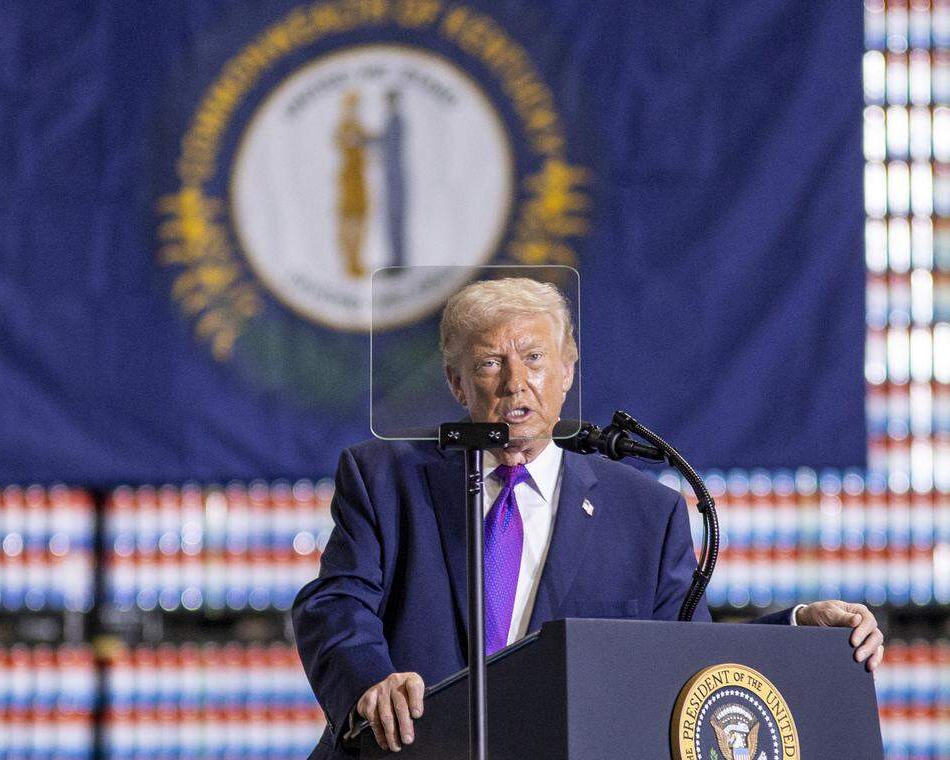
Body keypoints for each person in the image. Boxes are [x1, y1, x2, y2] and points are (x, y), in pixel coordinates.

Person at [292, 277, 884, 758]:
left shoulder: (647, 515)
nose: (515, 382)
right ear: (456, 382)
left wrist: (802, 633)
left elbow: (689, 662)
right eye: (490, 363)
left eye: (533, 358)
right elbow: (333, 604)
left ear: (568, 370)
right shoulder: (385, 480)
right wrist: (371, 682)